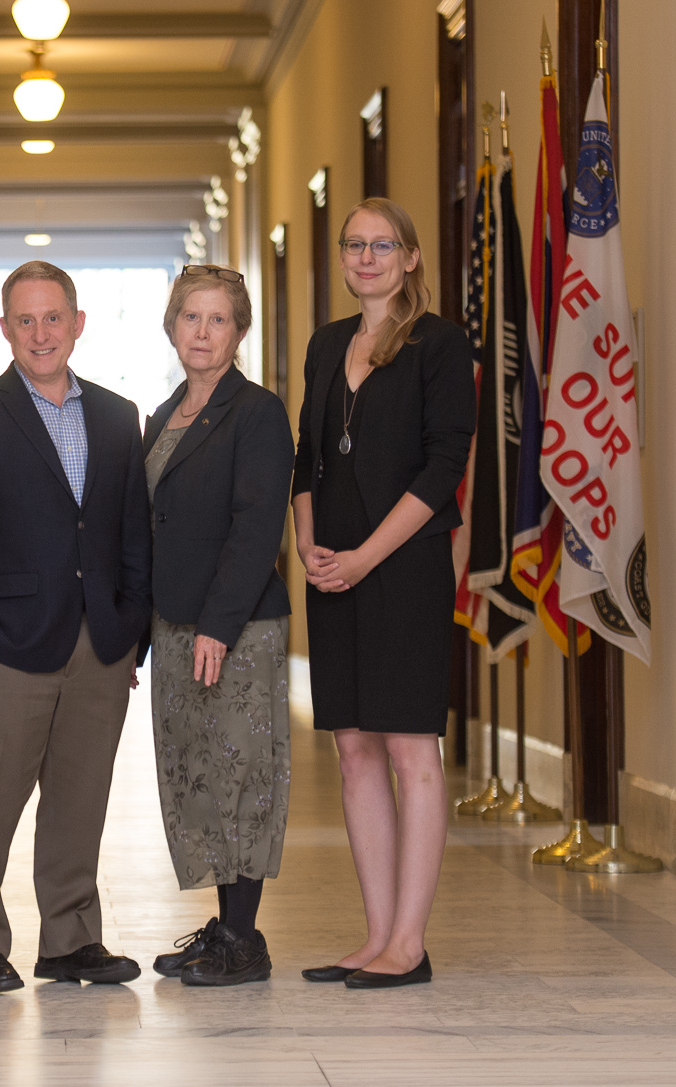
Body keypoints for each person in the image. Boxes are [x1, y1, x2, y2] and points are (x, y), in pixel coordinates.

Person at [0, 260, 152, 995]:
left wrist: (132, 631)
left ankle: (70, 940)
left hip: (101, 642)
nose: (40, 332)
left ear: (78, 323)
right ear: (4, 329)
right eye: (24, 320)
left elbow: (133, 531)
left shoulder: (118, 416)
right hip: (7, 641)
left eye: (53, 317)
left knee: (80, 800)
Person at [292, 197, 475, 989]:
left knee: (408, 748)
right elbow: (307, 456)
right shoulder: (326, 343)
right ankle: (376, 935)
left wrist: (366, 556)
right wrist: (308, 541)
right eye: (354, 244)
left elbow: (444, 467)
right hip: (333, 566)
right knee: (354, 749)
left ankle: (410, 941)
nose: (366, 257)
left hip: (403, 567)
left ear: (410, 257)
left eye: (383, 245)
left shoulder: (440, 343)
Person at [141, 265, 294, 986]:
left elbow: (257, 527)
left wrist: (218, 625)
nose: (202, 332)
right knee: (199, 775)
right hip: (174, 624)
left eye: (219, 319)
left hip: (235, 629)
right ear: (172, 325)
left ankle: (244, 940)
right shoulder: (163, 414)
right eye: (190, 317)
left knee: (243, 774)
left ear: (239, 332)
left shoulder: (257, 412)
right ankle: (224, 927)